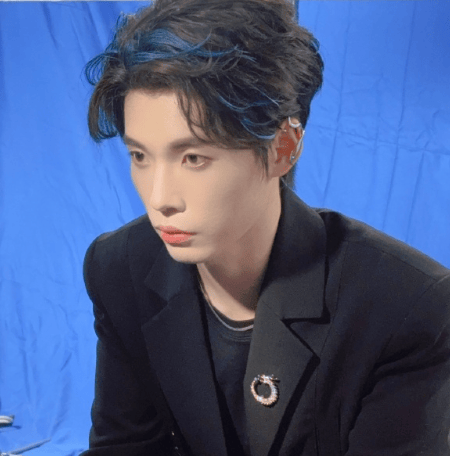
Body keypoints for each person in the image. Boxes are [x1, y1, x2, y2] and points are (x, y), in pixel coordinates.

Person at [80, 0, 450, 455]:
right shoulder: (120, 269)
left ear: (283, 148)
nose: (160, 198)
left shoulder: (406, 307)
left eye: (193, 157)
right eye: (140, 156)